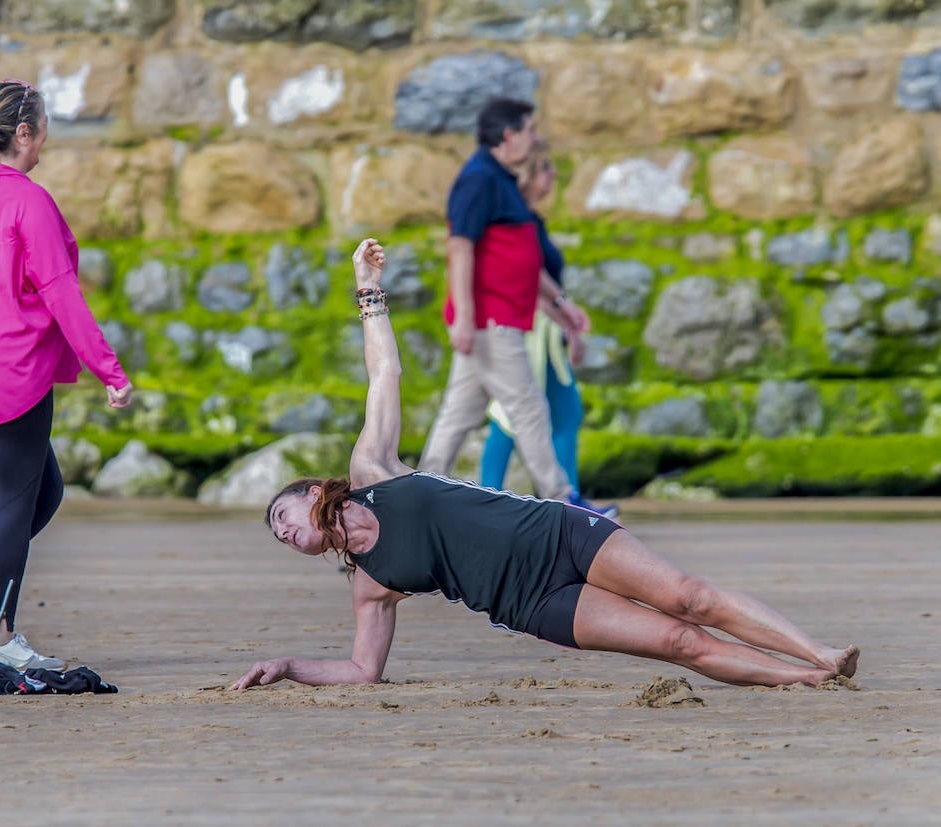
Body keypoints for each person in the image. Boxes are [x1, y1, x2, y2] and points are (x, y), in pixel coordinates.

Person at [231, 239, 859, 692]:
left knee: (689, 597)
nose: (284, 533)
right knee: (678, 642)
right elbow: (363, 671)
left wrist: (368, 293)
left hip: (559, 534)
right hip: (535, 604)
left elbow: (383, 373)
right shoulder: (370, 584)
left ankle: (821, 652)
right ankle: (807, 679)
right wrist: (289, 667)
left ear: (317, 491)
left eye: (283, 516)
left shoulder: (373, 470)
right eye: (280, 536)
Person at [0, 79, 133, 672]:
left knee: (44, 490)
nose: (43, 146)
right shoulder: (27, 201)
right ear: (22, 134)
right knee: (15, 500)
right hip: (11, 368)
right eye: (41, 134)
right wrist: (109, 370)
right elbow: (62, 294)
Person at [418, 98, 594, 509]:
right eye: (531, 130)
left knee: (458, 415)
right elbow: (460, 247)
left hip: (501, 318)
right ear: (509, 135)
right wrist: (463, 316)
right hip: (489, 320)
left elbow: (521, 260)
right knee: (529, 407)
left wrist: (561, 303)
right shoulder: (478, 179)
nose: (537, 138)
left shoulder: (500, 179)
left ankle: (414, 499)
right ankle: (564, 499)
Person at [478, 140, 616, 517]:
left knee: (565, 409)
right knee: (511, 412)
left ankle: (568, 501)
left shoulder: (528, 219)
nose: (553, 175)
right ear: (528, 174)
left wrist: (566, 325)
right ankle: (485, 499)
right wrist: (567, 322)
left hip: (543, 329)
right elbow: (521, 281)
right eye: (546, 168)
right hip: (526, 325)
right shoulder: (515, 220)